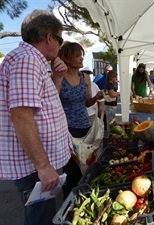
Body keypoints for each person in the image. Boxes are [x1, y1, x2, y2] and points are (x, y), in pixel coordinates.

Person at [0, 9, 72, 225]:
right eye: (60, 40)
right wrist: (43, 166)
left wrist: (57, 78)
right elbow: (21, 116)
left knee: (44, 214)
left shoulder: (33, 60)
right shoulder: (27, 60)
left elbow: (45, 106)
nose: (60, 47)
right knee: (40, 218)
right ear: (49, 37)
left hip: (37, 163)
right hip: (33, 166)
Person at [55, 41, 104, 197]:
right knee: (71, 171)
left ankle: (84, 197)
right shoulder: (59, 78)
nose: (82, 58)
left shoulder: (85, 77)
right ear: (68, 58)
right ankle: (69, 201)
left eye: (82, 55)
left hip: (85, 127)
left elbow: (86, 102)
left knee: (87, 165)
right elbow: (53, 102)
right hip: (67, 131)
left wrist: (96, 97)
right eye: (78, 55)